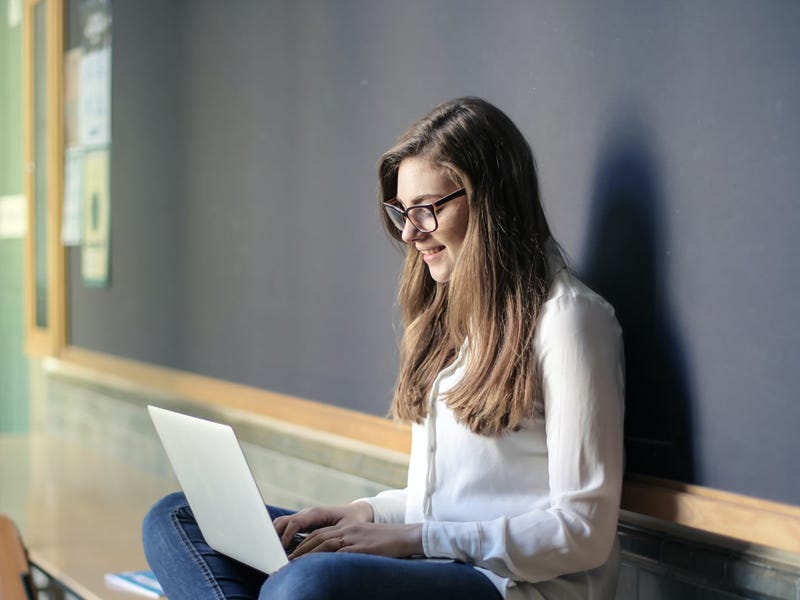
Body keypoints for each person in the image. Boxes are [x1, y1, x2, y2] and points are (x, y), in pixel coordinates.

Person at [142, 96, 625, 600]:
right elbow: (444, 503)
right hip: (435, 557)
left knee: (308, 583)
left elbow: (583, 532)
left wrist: (412, 537)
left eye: (428, 209)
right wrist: (367, 513)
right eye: (402, 212)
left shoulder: (569, 320)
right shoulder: (449, 318)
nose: (411, 234)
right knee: (175, 518)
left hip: (509, 585)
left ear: (491, 201)